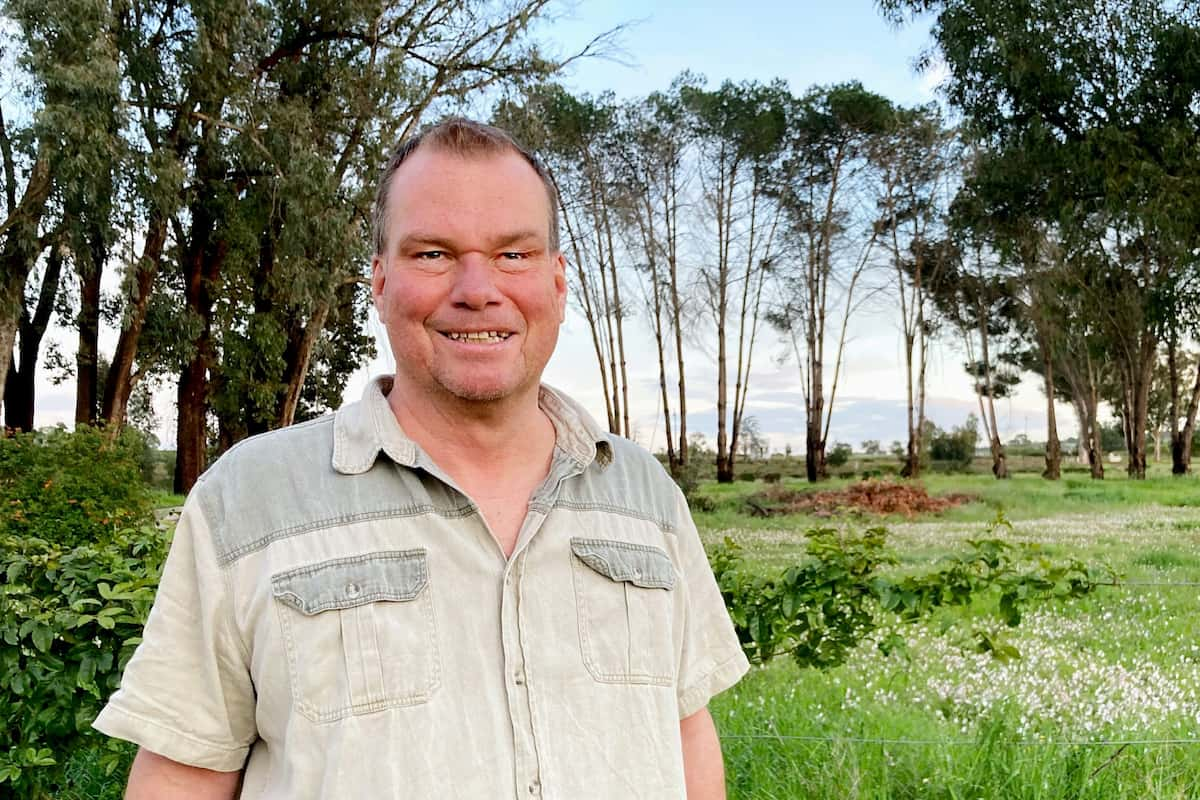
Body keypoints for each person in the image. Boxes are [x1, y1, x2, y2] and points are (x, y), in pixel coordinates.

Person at [94, 118, 750, 799]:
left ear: (557, 281)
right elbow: (182, 775)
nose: (476, 288)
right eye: (433, 254)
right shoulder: (250, 502)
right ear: (379, 282)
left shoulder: (645, 495)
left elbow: (684, 736)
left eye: (514, 255)